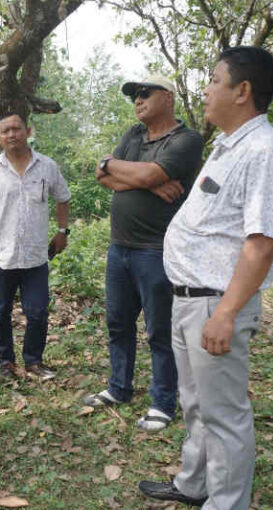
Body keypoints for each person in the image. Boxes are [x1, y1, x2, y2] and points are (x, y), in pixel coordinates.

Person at [138, 46, 273, 510]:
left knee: (224, 412)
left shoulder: (267, 151)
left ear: (242, 91)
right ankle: (194, 483)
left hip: (215, 301)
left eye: (213, 80)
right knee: (195, 402)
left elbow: (261, 242)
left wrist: (227, 311)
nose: (204, 90)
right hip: (189, 297)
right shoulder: (230, 145)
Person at [82, 75, 203, 432]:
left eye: (144, 93)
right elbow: (101, 175)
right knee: (118, 324)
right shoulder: (134, 136)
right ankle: (119, 387)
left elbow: (144, 171)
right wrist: (143, 179)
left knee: (159, 330)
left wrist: (129, 170)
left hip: (157, 250)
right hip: (119, 247)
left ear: (167, 97)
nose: (137, 99)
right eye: (134, 95)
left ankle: (163, 403)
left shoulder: (186, 139)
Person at [0, 110, 71, 381]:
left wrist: (62, 231)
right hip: (1, 254)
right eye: (6, 131)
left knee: (37, 311)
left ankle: (34, 362)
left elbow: (63, 197)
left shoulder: (47, 166)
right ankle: (6, 363)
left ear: (28, 131)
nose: (12, 134)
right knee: (0, 312)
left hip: (36, 256)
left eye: (17, 128)